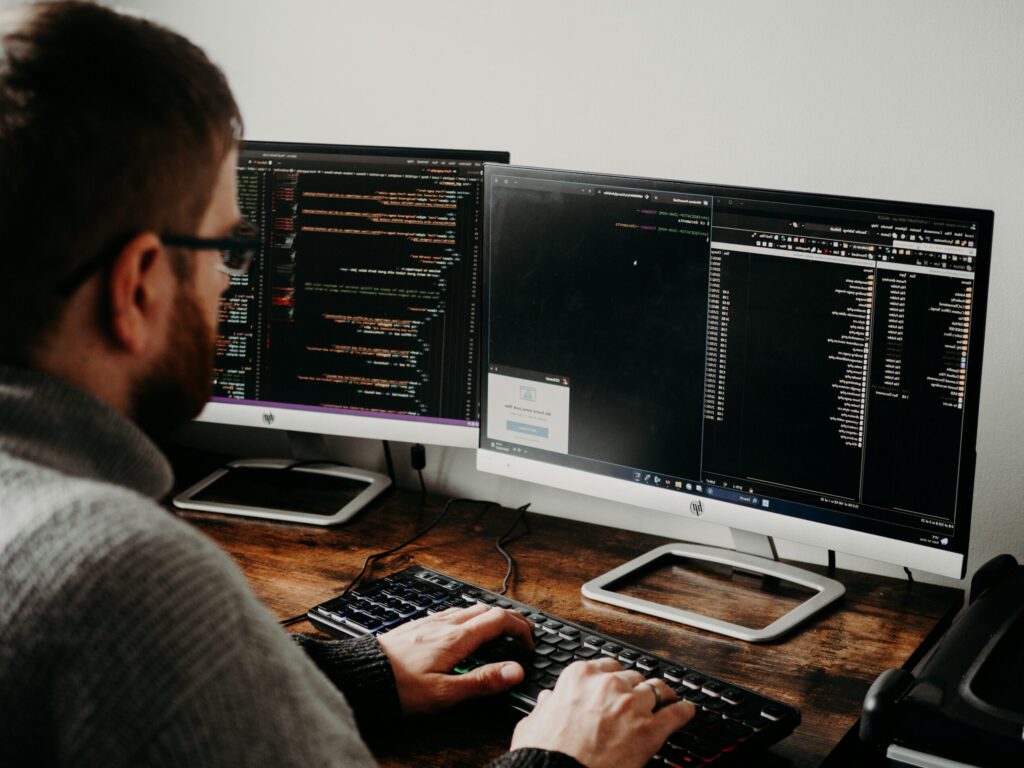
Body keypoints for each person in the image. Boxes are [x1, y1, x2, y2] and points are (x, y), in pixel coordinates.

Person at [0, 2, 695, 767]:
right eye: (222, 246)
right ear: (135, 286)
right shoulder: (125, 576)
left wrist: (362, 674)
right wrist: (561, 760)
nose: (230, 283)